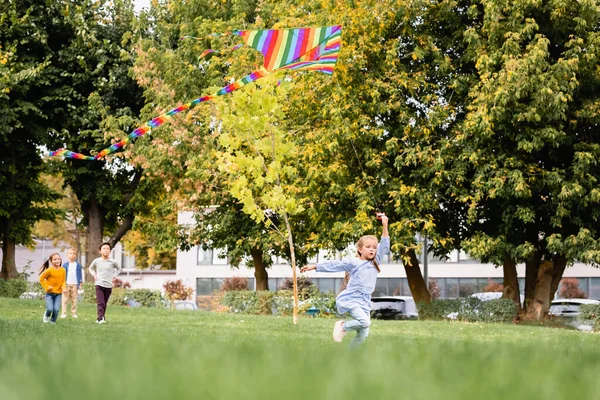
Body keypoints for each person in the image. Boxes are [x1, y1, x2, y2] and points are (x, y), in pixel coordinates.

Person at [300, 213, 389, 348]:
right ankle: (342, 326)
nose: (372, 249)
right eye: (368, 246)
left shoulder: (375, 261)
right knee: (365, 322)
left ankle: (350, 358)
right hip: (352, 298)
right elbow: (335, 265)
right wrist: (315, 266)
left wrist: (385, 225)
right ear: (360, 249)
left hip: (365, 301)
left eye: (374, 247)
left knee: (363, 334)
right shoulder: (353, 262)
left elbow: (385, 245)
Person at [88, 242, 121, 324]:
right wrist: (94, 274)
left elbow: (119, 269)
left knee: (104, 303)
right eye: (104, 249)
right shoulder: (97, 261)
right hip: (99, 284)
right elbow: (90, 268)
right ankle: (100, 318)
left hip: (108, 285)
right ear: (100, 251)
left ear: (110, 251)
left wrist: (114, 276)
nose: (106, 250)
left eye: (108, 249)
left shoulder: (113, 262)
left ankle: (102, 317)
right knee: (101, 302)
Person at [39, 253, 66, 324]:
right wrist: (47, 287)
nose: (57, 261)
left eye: (58, 259)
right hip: (49, 294)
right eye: (55, 259)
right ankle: (46, 315)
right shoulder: (49, 270)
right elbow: (41, 278)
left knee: (56, 310)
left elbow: (63, 281)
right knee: (50, 309)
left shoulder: (63, 270)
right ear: (51, 261)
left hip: (58, 294)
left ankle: (52, 321)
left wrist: (64, 288)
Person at [61, 247, 83, 319]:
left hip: (75, 284)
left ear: (75, 256)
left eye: (74, 254)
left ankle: (73, 313)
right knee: (65, 299)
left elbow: (80, 274)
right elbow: (62, 275)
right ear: (67, 255)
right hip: (67, 284)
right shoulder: (65, 265)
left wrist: (80, 282)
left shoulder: (78, 265)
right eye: (70, 253)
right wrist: (63, 284)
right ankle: (63, 313)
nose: (72, 255)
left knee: (74, 299)